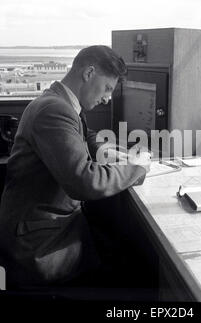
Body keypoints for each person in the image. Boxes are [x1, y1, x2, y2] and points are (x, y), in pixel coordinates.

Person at [0, 45, 151, 288]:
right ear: (89, 73)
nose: (108, 98)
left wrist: (110, 152)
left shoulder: (58, 101)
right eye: (107, 88)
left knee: (122, 246)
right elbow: (84, 181)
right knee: (135, 266)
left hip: (47, 224)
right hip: (39, 242)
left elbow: (83, 134)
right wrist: (137, 168)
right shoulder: (54, 110)